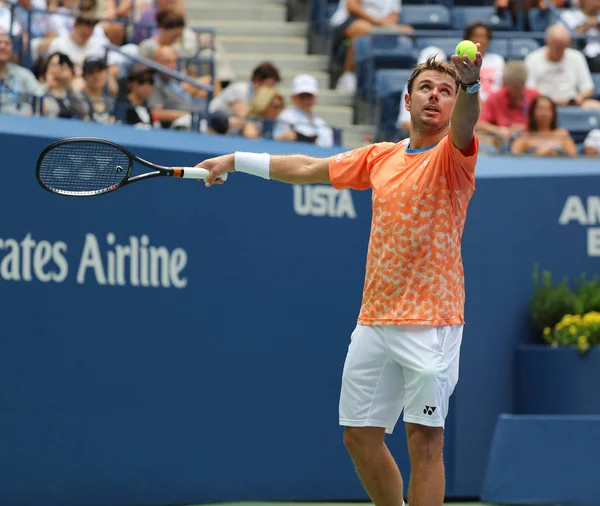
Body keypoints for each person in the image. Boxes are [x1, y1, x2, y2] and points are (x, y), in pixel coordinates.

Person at [196, 49, 484, 506]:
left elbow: (467, 124)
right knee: (358, 436)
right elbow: (308, 168)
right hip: (375, 320)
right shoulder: (379, 157)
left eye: (445, 91)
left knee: (424, 443)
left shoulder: (454, 156)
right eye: (426, 88)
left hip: (432, 323)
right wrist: (234, 158)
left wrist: (470, 86)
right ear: (407, 101)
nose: (435, 96)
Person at [510, 95, 578, 156]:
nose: (544, 113)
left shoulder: (562, 134)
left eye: (548, 109)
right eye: (540, 109)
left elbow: (573, 157)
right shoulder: (525, 136)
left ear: (553, 113)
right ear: (533, 112)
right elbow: (513, 158)